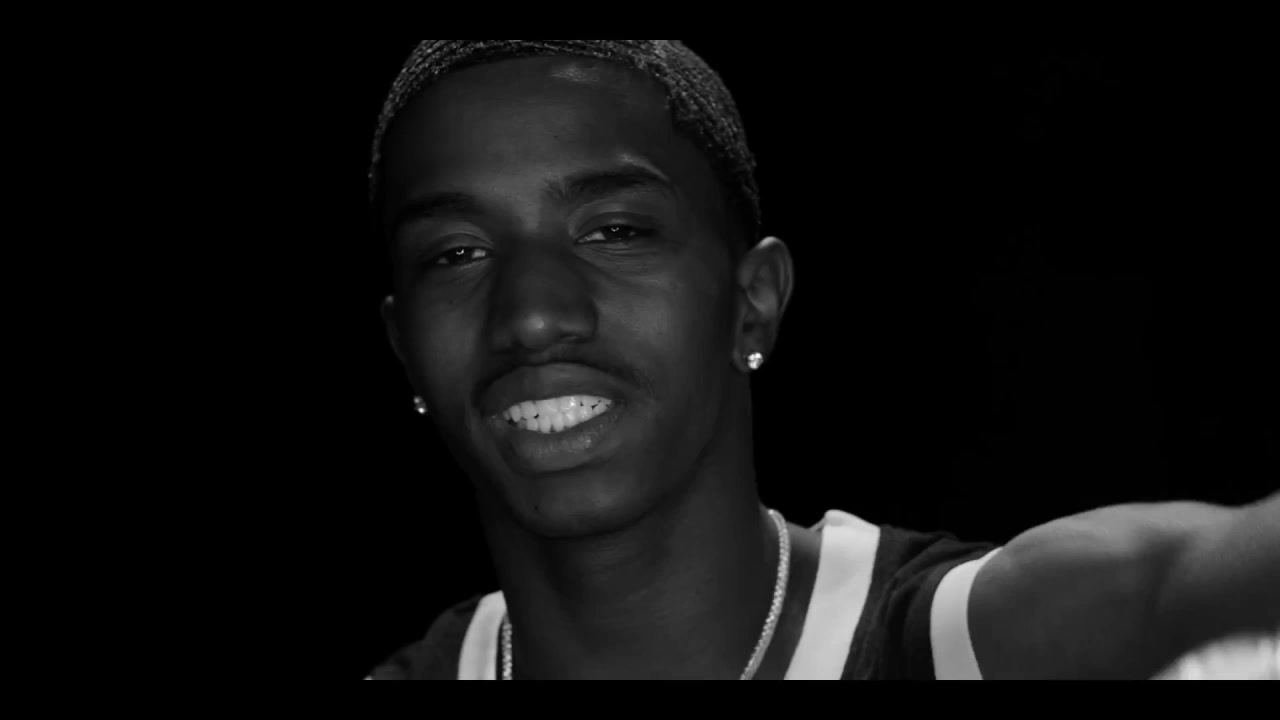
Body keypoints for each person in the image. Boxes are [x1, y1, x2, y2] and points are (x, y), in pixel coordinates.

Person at [363, 40, 1279, 680]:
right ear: (404, 347)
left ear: (753, 303)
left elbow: (1181, 586)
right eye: (456, 253)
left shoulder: (959, 641)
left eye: (614, 231)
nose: (532, 316)